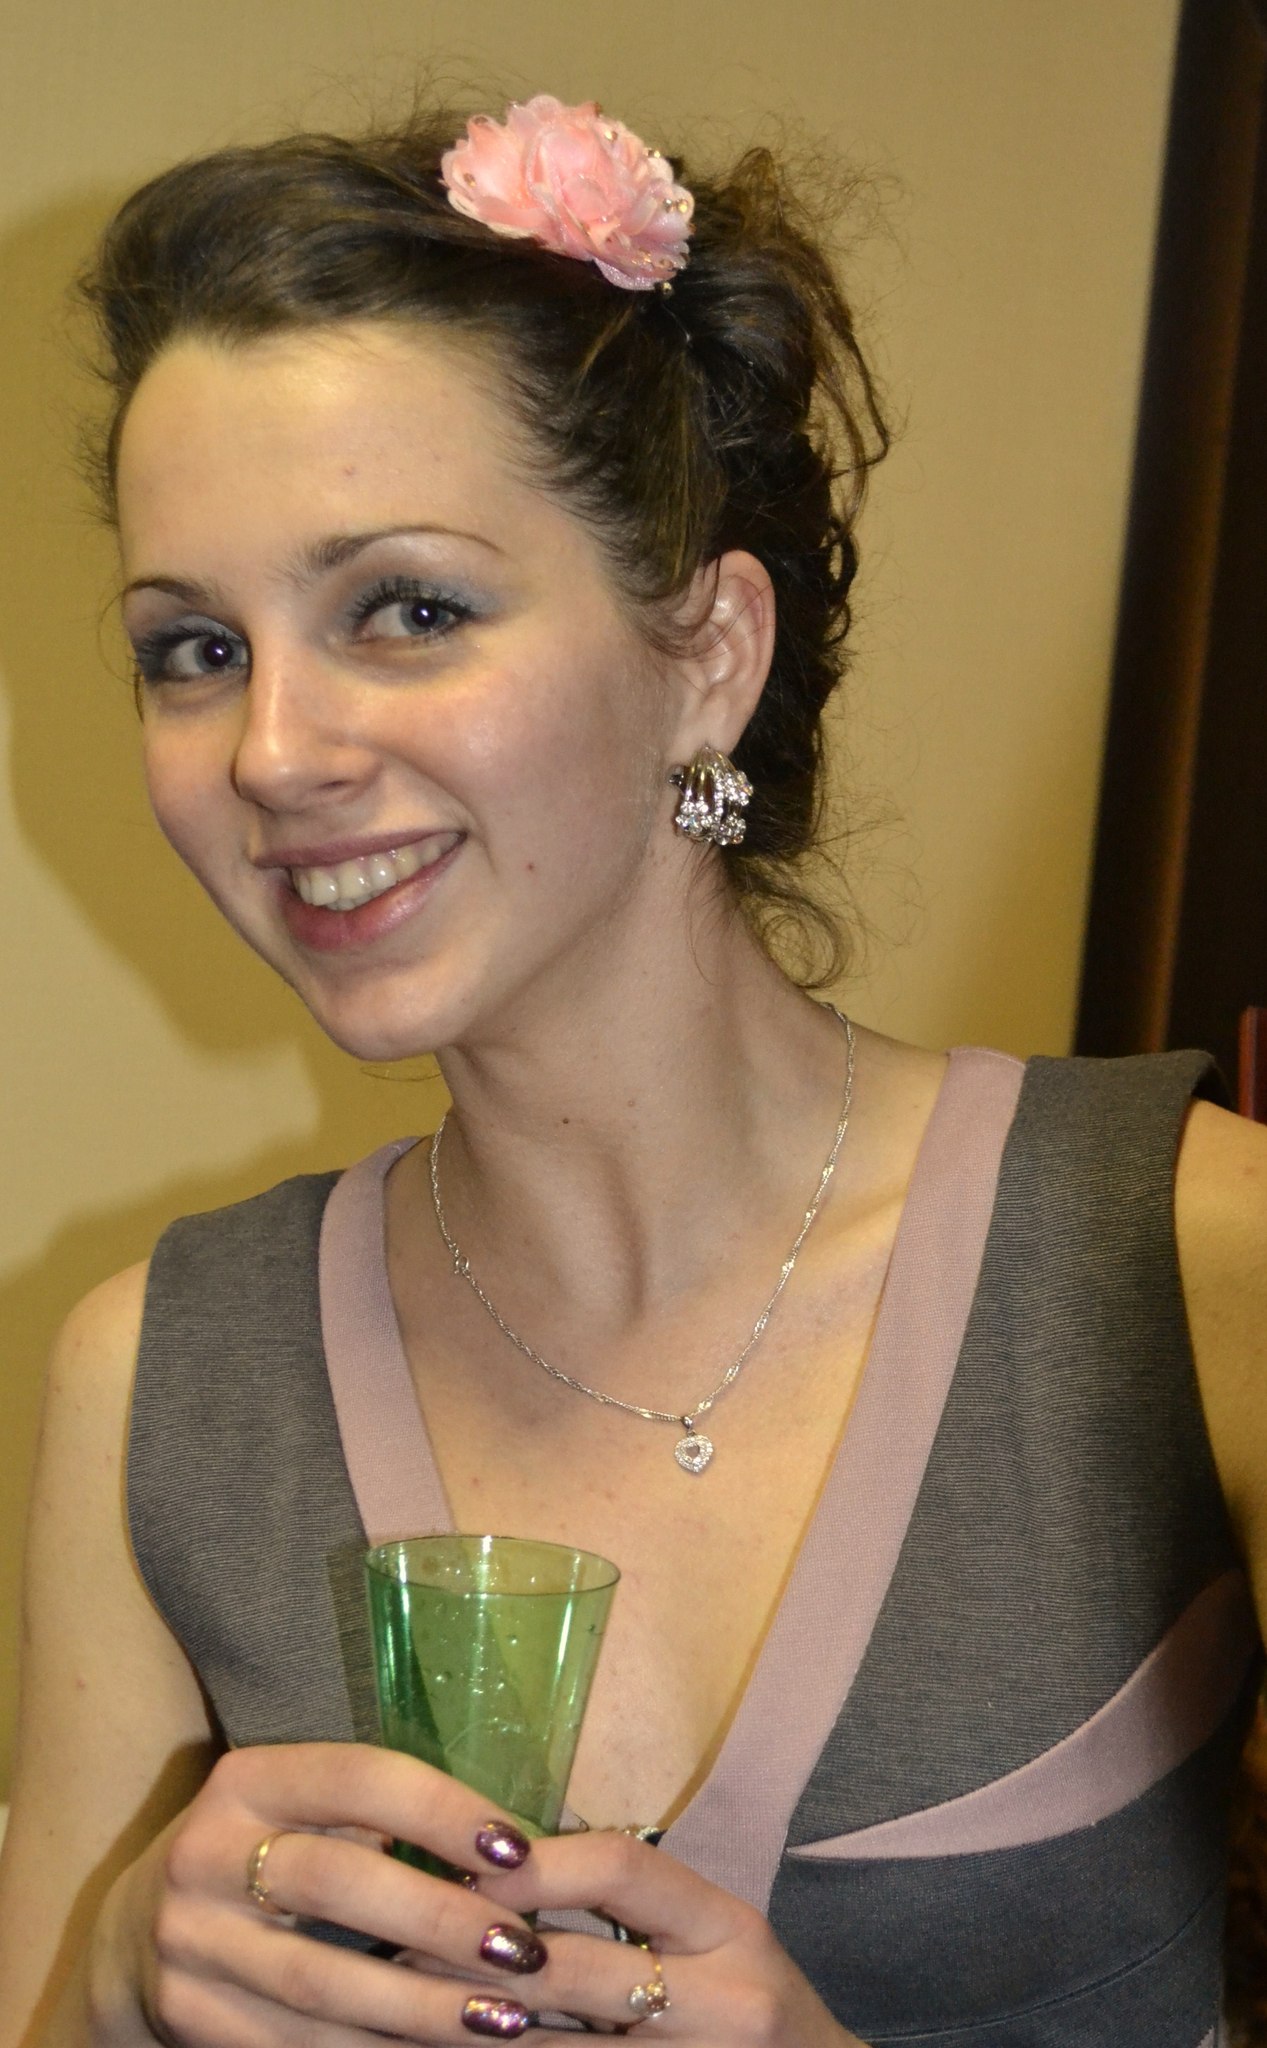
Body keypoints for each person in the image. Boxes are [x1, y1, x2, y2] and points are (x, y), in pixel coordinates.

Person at [1, 90, 1265, 2048]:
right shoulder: (156, 1382)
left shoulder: (1189, 1263)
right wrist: (109, 1981)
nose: (272, 752)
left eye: (407, 609)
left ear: (707, 654)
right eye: (195, 650)